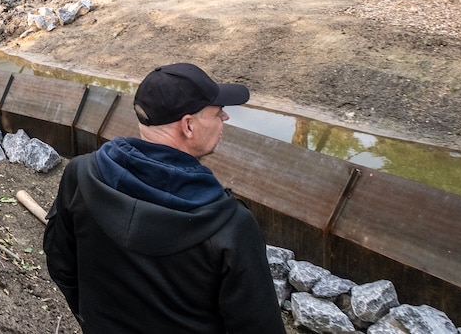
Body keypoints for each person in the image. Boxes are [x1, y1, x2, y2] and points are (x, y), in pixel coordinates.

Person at [43, 62, 286, 333]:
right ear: (189, 126)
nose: (225, 119)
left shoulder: (81, 175)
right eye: (217, 112)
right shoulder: (230, 226)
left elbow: (60, 263)